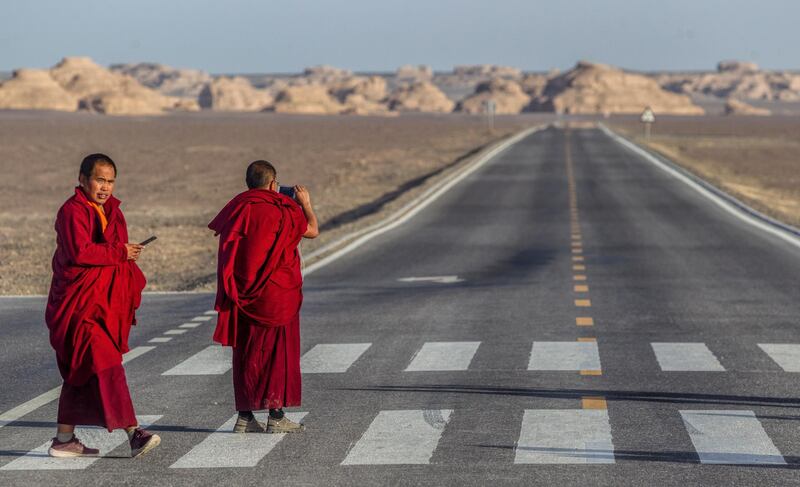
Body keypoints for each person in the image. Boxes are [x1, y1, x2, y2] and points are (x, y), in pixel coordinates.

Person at [45, 153, 160, 458]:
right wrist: (120, 252)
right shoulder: (72, 211)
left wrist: (126, 254)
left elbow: (110, 250)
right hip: (79, 307)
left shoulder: (111, 212)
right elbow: (82, 252)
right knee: (109, 366)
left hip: (100, 304)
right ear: (82, 180)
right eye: (99, 179)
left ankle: (63, 440)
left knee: (80, 371)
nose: (105, 187)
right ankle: (134, 433)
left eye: (110, 181)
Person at [209, 160, 319, 433]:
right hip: (276, 294)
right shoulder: (284, 209)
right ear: (273, 184)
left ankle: (244, 417)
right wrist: (305, 203)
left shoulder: (237, 208)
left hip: (243, 294)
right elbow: (312, 231)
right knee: (277, 353)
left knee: (246, 352)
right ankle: (276, 414)